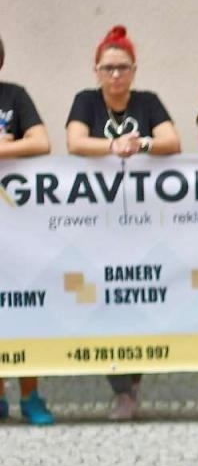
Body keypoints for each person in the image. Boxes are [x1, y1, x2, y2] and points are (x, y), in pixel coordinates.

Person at [66, 25, 181, 422]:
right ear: (95, 70)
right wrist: (113, 146)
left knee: (141, 298)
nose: (116, 75)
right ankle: (119, 388)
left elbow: (171, 140)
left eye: (123, 68)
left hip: (143, 222)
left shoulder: (147, 102)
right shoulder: (86, 101)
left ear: (134, 70)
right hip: (98, 223)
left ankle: (134, 382)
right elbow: (75, 142)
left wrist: (142, 143)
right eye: (108, 68)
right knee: (102, 298)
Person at [0, 31, 54, 426]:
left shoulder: (14, 96)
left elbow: (40, 142)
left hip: (15, 223)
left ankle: (30, 394)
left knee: (21, 303)